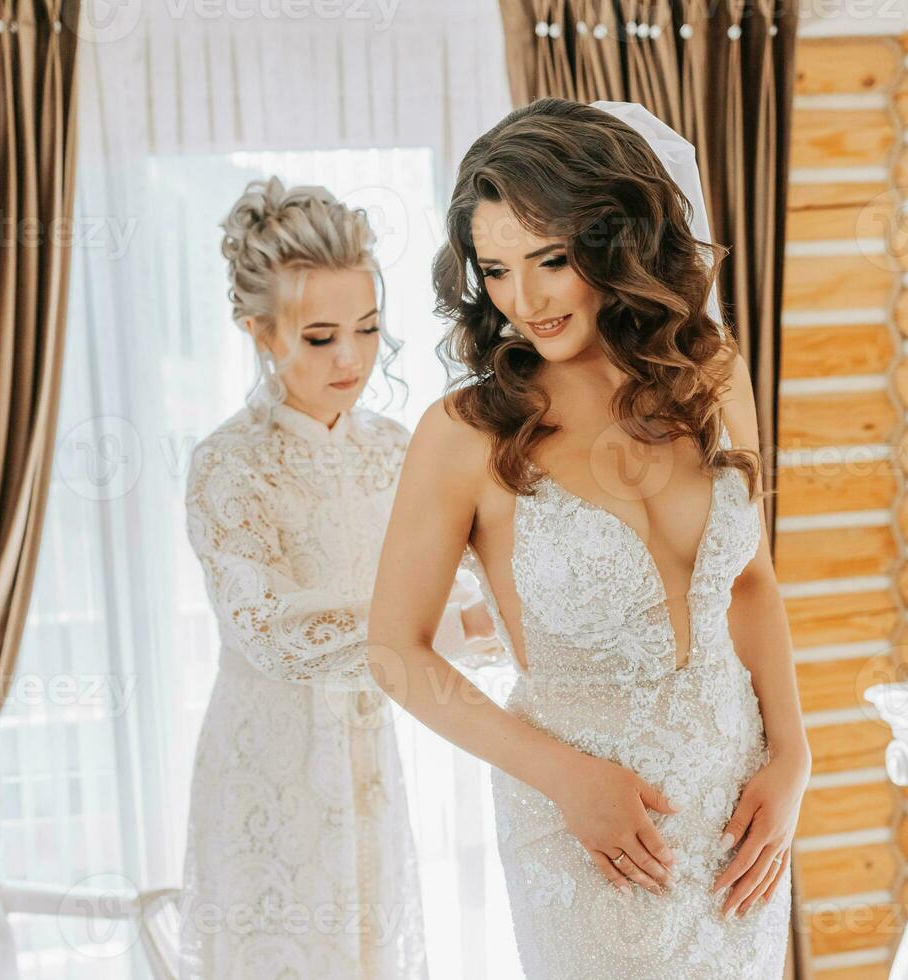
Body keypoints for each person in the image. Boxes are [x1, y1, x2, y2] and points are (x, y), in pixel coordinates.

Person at [367, 99, 809, 978]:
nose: (521, 300)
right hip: (587, 827)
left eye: (551, 260)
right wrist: (565, 779)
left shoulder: (713, 374)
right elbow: (395, 651)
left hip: (740, 801)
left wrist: (792, 758)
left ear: (619, 244)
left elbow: (749, 582)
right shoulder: (466, 433)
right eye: (493, 270)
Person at [179, 176, 499, 979]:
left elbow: (478, 585)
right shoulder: (227, 465)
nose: (351, 357)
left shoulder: (398, 448)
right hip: (269, 773)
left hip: (370, 760)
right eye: (320, 337)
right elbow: (274, 635)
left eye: (367, 327)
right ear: (259, 332)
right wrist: (442, 629)